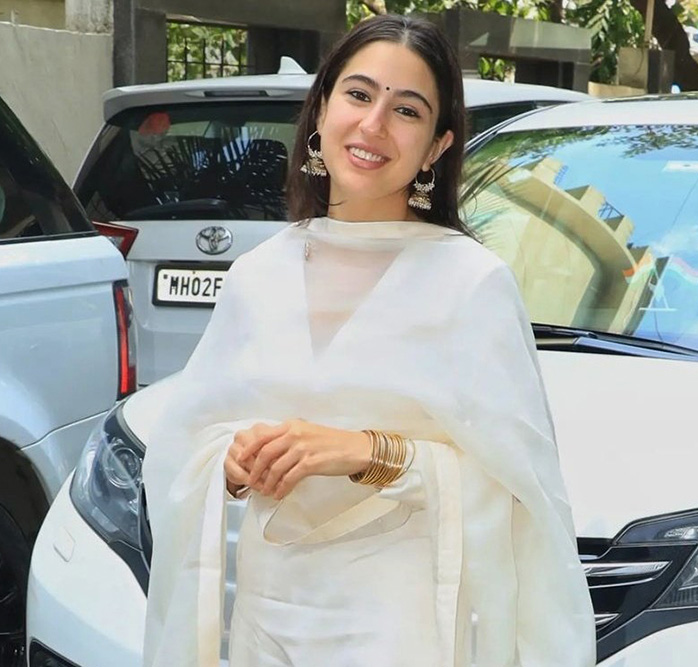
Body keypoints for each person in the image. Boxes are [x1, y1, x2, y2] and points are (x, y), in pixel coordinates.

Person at [135, 14, 595, 666]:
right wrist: (232, 464)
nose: (374, 124)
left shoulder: (471, 284)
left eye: (406, 110)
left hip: (401, 630)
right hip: (269, 621)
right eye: (358, 94)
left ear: (436, 146)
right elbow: (185, 443)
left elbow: (524, 494)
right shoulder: (257, 276)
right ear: (321, 109)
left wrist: (365, 451)